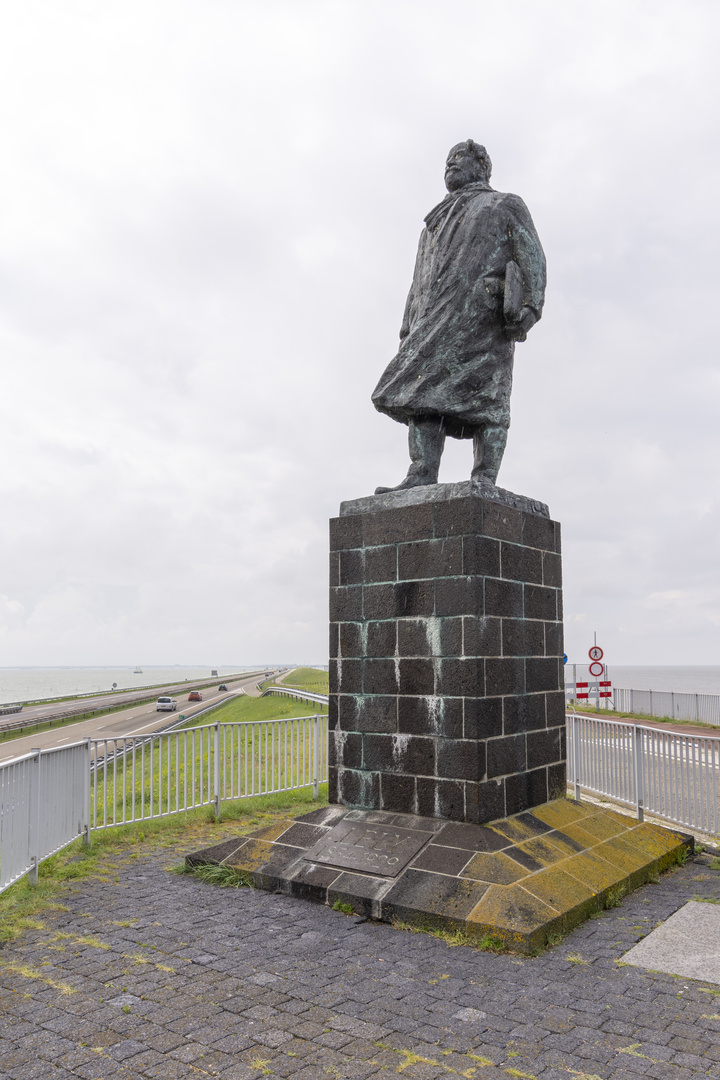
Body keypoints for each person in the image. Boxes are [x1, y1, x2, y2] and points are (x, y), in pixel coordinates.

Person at [372, 140, 546, 493]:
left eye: (458, 159)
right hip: (432, 321)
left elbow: (533, 259)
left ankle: (484, 476)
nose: (449, 166)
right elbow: (420, 277)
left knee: (489, 400)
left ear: (481, 166)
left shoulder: (503, 204)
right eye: (446, 162)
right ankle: (421, 471)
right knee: (420, 392)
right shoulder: (432, 224)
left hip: (482, 320)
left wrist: (529, 307)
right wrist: (409, 324)